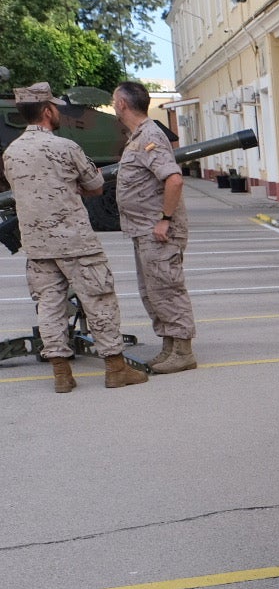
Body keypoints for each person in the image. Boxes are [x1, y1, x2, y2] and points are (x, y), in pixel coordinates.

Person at [1, 82, 147, 393]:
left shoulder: (11, 152)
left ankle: (62, 375)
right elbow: (95, 186)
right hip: (75, 242)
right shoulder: (65, 147)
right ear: (48, 110)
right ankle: (115, 369)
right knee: (99, 300)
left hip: (37, 246)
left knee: (50, 307)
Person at [113, 79, 197, 374]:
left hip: (158, 231)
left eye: (114, 100)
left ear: (122, 104)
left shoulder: (150, 135)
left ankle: (183, 351)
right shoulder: (136, 136)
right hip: (143, 231)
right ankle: (169, 347)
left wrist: (165, 219)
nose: (113, 105)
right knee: (153, 291)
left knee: (167, 289)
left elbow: (173, 179)